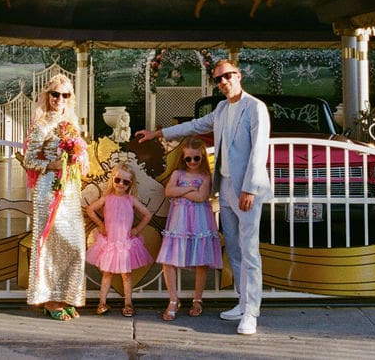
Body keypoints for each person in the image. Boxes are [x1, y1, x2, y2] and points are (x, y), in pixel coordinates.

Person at [136, 59, 270, 335]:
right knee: (233, 248)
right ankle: (242, 302)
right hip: (227, 188)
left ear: (239, 75)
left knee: (249, 250)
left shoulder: (255, 107)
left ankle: (252, 313)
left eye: (227, 76)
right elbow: (195, 125)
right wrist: (158, 133)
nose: (223, 82)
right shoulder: (221, 108)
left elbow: (259, 151)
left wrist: (251, 188)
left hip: (246, 189)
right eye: (218, 78)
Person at [23, 73, 89, 321]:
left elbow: (81, 155)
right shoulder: (41, 125)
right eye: (55, 94)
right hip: (48, 189)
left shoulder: (72, 123)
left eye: (65, 95)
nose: (59, 99)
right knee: (50, 244)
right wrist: (50, 165)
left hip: (70, 190)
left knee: (73, 244)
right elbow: (29, 159)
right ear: (47, 95)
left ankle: (66, 296)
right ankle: (49, 299)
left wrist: (78, 156)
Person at [155, 135, 222, 321]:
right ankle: (173, 299)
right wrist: (190, 190)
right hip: (179, 221)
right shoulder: (177, 174)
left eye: (196, 158)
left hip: (199, 220)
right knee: (169, 259)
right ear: (182, 159)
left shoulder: (205, 176)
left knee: (201, 261)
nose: (192, 162)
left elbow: (202, 197)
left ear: (202, 157)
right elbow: (169, 191)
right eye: (188, 158)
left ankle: (197, 298)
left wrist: (182, 191)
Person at [85, 161, 154, 317]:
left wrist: (137, 229)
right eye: (117, 180)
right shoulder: (107, 198)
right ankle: (102, 303)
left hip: (125, 244)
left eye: (125, 181)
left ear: (130, 184)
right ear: (112, 180)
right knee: (107, 274)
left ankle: (128, 303)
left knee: (126, 275)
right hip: (109, 242)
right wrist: (100, 223)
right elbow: (90, 209)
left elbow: (147, 214)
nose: (121, 184)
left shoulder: (131, 200)